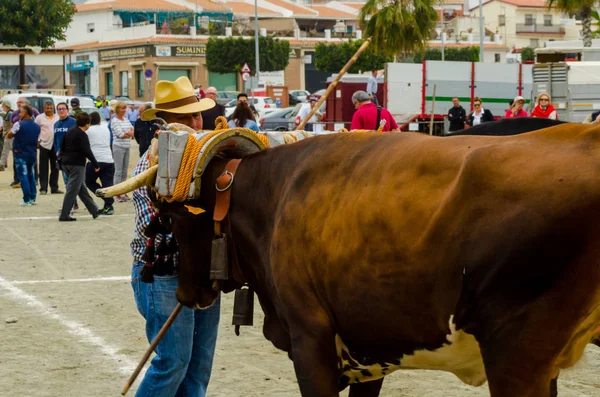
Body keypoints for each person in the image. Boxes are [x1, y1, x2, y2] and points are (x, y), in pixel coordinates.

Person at [132, 75, 220, 396]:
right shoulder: (150, 165)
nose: (196, 122)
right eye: (186, 117)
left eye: (197, 114)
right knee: (173, 362)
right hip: (163, 274)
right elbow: (157, 229)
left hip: (206, 272)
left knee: (199, 365)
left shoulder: (210, 162)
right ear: (165, 124)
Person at [58, 112, 100, 222]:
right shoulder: (82, 135)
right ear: (86, 123)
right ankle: (64, 214)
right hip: (77, 164)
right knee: (72, 190)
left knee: (81, 188)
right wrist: (96, 164)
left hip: (65, 163)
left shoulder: (70, 131)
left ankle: (94, 210)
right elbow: (87, 151)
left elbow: (61, 146)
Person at [6, 105, 40, 206]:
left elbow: (9, 135)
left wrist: (12, 132)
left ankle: (26, 199)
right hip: (32, 153)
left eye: (20, 112)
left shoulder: (18, 124)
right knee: (31, 175)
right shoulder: (37, 126)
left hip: (20, 152)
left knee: (23, 176)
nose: (19, 114)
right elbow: (37, 141)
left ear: (25, 113)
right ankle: (33, 197)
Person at [85, 112, 115, 215]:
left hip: (95, 160)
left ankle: (108, 199)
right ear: (99, 120)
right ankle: (109, 206)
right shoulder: (105, 129)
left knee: (88, 181)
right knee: (107, 184)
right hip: (108, 159)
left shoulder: (88, 130)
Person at [54, 102, 79, 210]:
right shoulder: (56, 124)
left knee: (72, 181)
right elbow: (55, 140)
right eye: (59, 109)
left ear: (67, 110)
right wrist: (56, 150)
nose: (61, 111)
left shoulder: (73, 122)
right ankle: (74, 203)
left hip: (72, 155)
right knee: (66, 181)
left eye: (63, 109)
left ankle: (71, 204)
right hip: (61, 157)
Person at [10, 97, 40, 188]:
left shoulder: (33, 111)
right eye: (18, 102)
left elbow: (38, 121)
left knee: (32, 159)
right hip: (18, 139)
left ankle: (34, 179)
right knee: (17, 159)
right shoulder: (15, 113)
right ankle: (17, 179)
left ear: (26, 103)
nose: (19, 104)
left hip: (29, 138)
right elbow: (11, 124)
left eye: (21, 102)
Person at [35, 101, 61, 195]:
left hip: (55, 145)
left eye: (51, 108)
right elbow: (36, 129)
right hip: (44, 145)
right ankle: (43, 188)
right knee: (43, 167)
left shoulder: (57, 117)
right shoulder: (39, 118)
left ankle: (54, 187)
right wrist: (38, 140)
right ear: (44, 108)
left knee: (55, 167)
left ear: (53, 108)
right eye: (47, 108)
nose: (49, 110)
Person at [111, 100, 134, 202]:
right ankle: (117, 193)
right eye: (121, 108)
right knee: (118, 171)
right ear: (117, 109)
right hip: (118, 147)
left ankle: (123, 192)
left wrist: (127, 133)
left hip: (126, 146)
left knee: (124, 172)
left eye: (125, 108)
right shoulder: (114, 121)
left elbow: (132, 131)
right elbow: (121, 135)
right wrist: (128, 133)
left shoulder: (126, 120)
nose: (124, 110)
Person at [0, 101, 13, 172]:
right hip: (8, 135)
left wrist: (8, 133)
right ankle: (2, 165)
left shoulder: (10, 114)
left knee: (6, 151)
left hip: (8, 135)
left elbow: (12, 124)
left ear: (6, 106)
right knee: (5, 150)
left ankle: (1, 165)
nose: (2, 108)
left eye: (3, 106)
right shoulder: (8, 113)